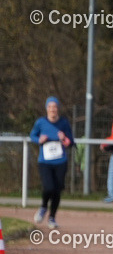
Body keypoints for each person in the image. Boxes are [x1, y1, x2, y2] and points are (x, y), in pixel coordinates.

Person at [29, 96, 75, 229]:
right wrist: (39, 140)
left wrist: (64, 138)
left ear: (58, 109)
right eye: (50, 107)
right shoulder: (41, 122)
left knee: (57, 190)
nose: (52, 109)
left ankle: (52, 218)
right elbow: (33, 135)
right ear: (46, 109)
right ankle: (43, 207)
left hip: (61, 161)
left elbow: (70, 141)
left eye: (55, 107)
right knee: (48, 187)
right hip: (45, 161)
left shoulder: (64, 123)